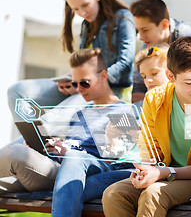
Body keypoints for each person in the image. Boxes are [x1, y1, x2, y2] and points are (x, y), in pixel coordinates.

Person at [102, 36, 191, 217]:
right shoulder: (154, 99)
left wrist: (162, 172)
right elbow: (150, 151)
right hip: (164, 173)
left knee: (153, 195)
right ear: (171, 76)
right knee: (113, 194)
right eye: (189, 82)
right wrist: (145, 172)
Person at [0, 49, 134, 217]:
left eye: (84, 83)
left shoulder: (123, 112)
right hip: (54, 168)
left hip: (81, 172)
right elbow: (70, 145)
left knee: (17, 152)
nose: (79, 89)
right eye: (75, 84)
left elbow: (119, 158)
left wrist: (68, 152)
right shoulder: (80, 113)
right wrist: (43, 146)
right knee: (21, 153)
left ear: (103, 76)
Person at [7, 0, 136, 121]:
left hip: (109, 90)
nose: (82, 13)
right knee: (16, 92)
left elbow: (125, 64)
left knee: (51, 120)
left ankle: (37, 140)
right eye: (75, 9)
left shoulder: (122, 18)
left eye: (85, 5)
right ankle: (31, 138)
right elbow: (83, 66)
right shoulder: (87, 26)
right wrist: (70, 80)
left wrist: (85, 83)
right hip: (80, 85)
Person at [133, 44, 169, 109]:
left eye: (154, 73)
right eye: (144, 77)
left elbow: (190, 119)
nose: (148, 80)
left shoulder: (187, 100)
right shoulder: (150, 104)